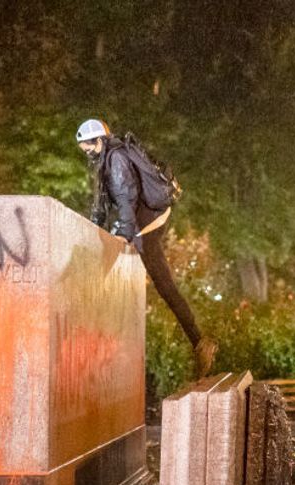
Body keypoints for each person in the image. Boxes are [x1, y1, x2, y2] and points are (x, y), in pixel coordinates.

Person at [76, 119, 217, 376]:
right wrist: (90, 227)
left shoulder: (115, 160)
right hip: (144, 220)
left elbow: (126, 197)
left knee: (163, 283)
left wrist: (125, 233)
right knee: (158, 283)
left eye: (88, 147)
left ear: (99, 141)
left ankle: (200, 342)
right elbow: (101, 206)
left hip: (147, 221)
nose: (86, 152)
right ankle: (198, 341)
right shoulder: (107, 160)